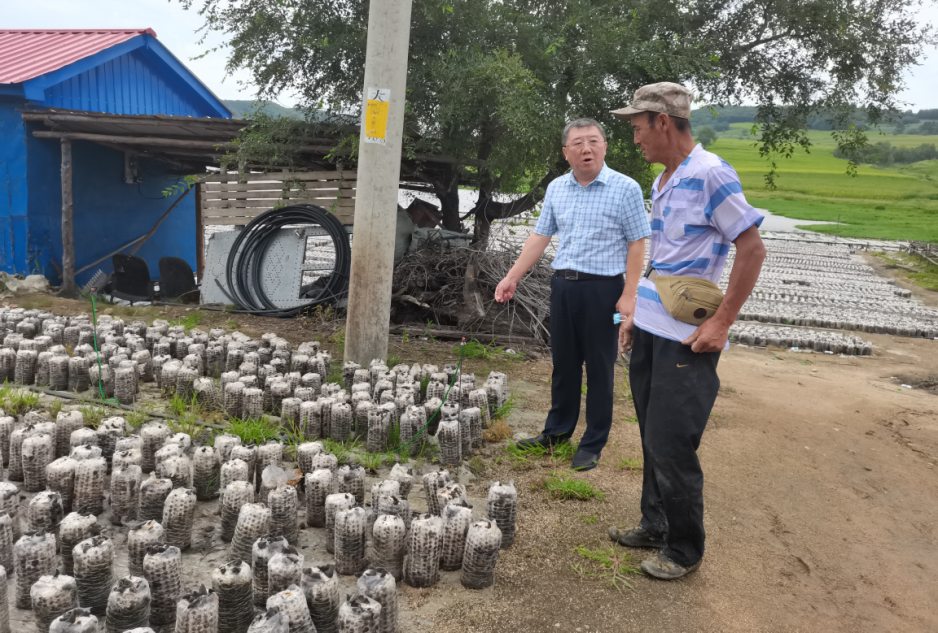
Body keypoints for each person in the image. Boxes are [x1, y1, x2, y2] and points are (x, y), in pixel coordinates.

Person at [607, 83, 767, 579]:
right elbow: (665, 261)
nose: (634, 140)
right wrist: (634, 314)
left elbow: (752, 248)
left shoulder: (710, 174)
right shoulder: (665, 180)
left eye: (637, 128)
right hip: (654, 329)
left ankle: (684, 549)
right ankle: (654, 524)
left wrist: (722, 323)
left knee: (672, 440)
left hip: (687, 338)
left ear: (661, 120)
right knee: (653, 437)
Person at [494, 118, 650, 471]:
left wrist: (630, 295)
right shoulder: (557, 189)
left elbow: (637, 244)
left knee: (599, 366)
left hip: (604, 290)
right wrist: (512, 277)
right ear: (566, 153)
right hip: (563, 287)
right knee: (563, 364)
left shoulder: (625, 188)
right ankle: (556, 432)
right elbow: (540, 237)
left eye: (593, 141)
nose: (586, 149)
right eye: (578, 143)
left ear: (605, 147)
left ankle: (592, 443)